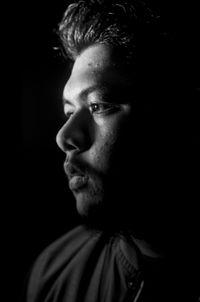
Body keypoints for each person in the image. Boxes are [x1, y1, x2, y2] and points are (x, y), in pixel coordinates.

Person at [24, 1, 199, 301]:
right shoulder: (54, 274)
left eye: (98, 106)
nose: (64, 137)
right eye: (69, 113)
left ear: (170, 114)